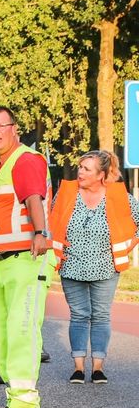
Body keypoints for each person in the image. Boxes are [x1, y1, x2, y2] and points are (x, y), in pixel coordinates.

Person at [0, 106, 52, 408]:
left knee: (21, 331)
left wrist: (40, 232)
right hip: (3, 261)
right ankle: (15, 398)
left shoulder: (25, 160)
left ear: (14, 128)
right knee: (1, 336)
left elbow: (34, 197)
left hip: (26, 259)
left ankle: (25, 406)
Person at [47, 150, 137, 385]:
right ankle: (78, 367)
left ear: (101, 175)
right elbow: (52, 221)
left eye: (87, 169)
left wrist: (126, 246)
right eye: (80, 166)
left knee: (100, 316)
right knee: (78, 316)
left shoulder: (119, 196)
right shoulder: (66, 193)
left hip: (106, 268)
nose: (80, 172)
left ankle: (98, 368)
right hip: (71, 266)